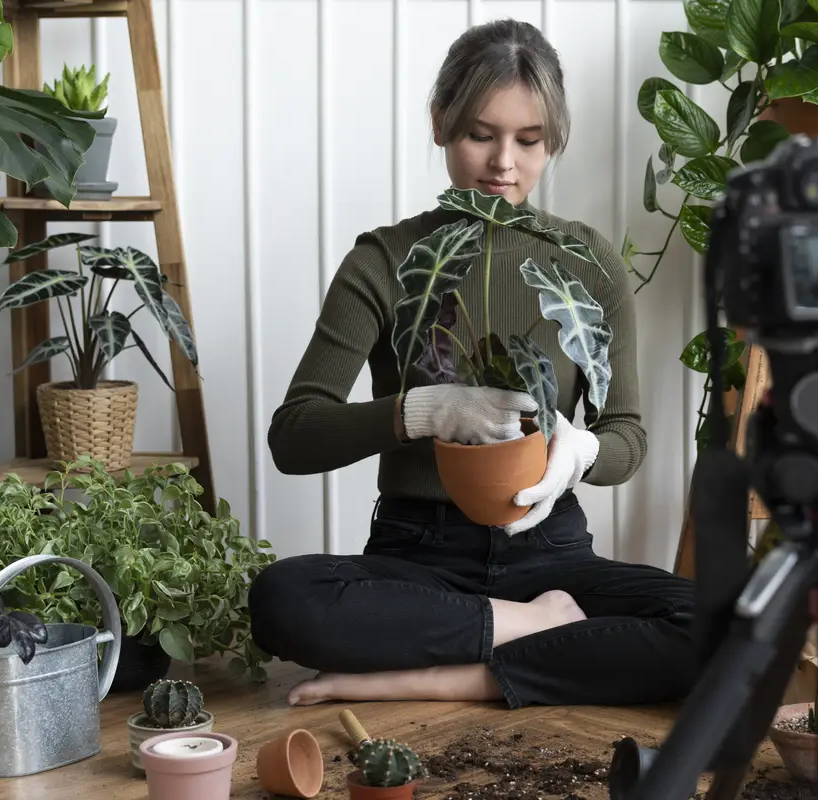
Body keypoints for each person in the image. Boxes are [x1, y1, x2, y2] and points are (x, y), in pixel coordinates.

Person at [247, 18, 699, 710]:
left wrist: (580, 452)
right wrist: (424, 410)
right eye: (479, 135)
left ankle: (447, 676)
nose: (503, 165)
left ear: (554, 141)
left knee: (718, 623)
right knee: (281, 599)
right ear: (440, 123)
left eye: (529, 140)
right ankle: (535, 635)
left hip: (552, 551)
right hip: (417, 558)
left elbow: (628, 436)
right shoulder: (387, 260)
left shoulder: (588, 263)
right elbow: (294, 435)